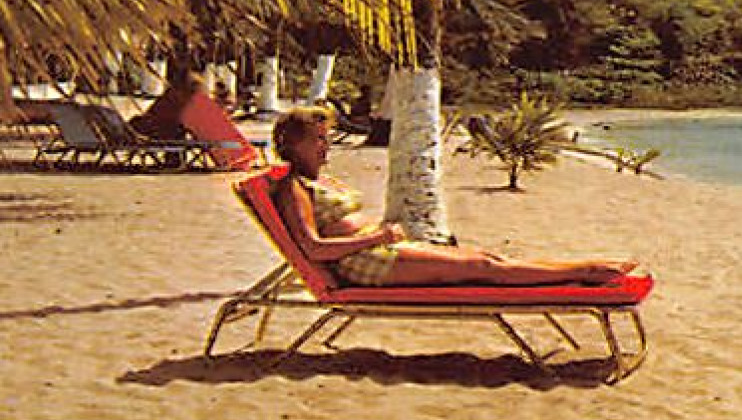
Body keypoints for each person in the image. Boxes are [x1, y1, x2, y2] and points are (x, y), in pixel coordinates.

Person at [269, 106, 638, 287]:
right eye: (316, 138)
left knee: (485, 258)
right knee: (482, 269)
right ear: (292, 144)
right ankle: (585, 273)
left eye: (325, 136)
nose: (326, 144)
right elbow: (313, 249)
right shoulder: (293, 187)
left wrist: (378, 238)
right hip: (366, 264)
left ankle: (584, 269)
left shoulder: (315, 178)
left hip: (376, 251)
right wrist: (378, 236)